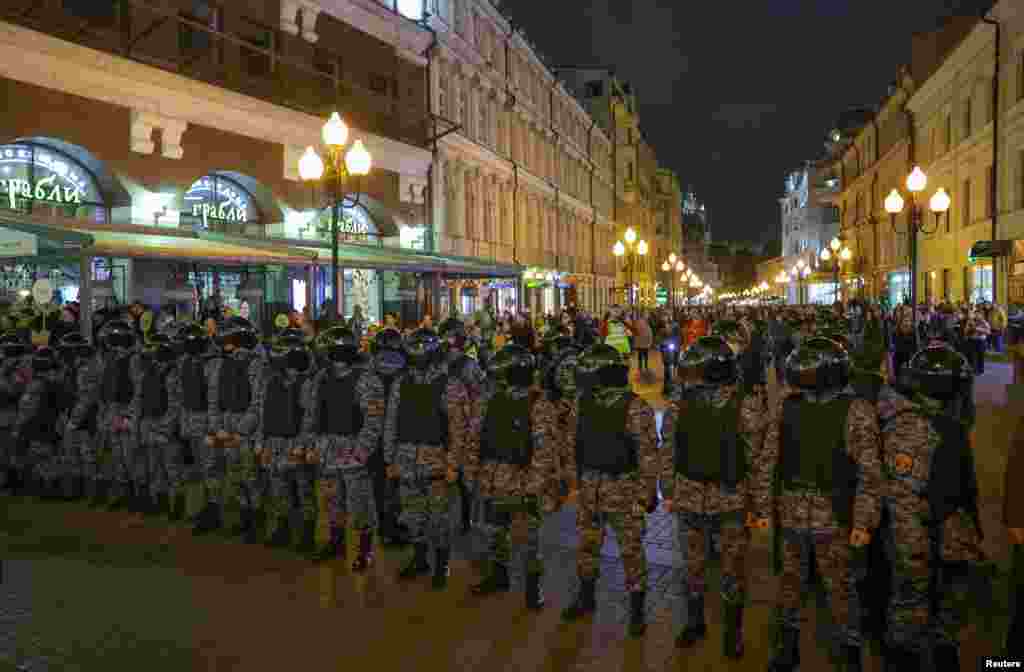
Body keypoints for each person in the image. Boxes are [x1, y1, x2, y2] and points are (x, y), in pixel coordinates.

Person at [749, 336, 882, 672]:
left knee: (840, 586)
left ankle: (850, 648)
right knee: (790, 582)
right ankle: (787, 645)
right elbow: (769, 459)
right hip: (792, 509)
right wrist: (763, 508)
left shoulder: (856, 411)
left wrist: (864, 522)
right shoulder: (787, 406)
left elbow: (870, 472)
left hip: (835, 513)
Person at [877, 343, 990, 670]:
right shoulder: (915, 426)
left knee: (940, 604)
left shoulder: (937, 423)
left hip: (941, 533)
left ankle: (936, 648)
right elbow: (905, 496)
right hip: (916, 534)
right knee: (912, 605)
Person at [661, 335, 765, 657]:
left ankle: (732, 632)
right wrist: (668, 489)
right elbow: (669, 449)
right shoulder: (681, 403)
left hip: (728, 499)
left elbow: (755, 458)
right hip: (695, 496)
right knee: (695, 567)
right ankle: (696, 622)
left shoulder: (742, 404)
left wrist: (757, 504)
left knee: (730, 568)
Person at [561, 344, 659, 637]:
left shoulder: (635, 407)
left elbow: (648, 454)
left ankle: (637, 609)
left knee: (631, 551)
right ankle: (586, 597)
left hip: (624, 489)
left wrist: (646, 493)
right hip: (591, 486)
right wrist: (573, 480)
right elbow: (572, 442)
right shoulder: (584, 402)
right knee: (587, 546)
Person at [466, 344, 556, 609]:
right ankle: (499, 575)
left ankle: (533, 586)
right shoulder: (488, 400)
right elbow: (474, 438)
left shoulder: (538, 404)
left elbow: (544, 451)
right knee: (494, 532)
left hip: (523, 481)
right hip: (492, 477)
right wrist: (471, 474)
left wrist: (534, 487)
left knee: (529, 538)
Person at [383, 328, 473, 589]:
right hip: (406, 459)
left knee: (439, 518)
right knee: (413, 514)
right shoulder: (402, 383)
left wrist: (454, 464)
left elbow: (459, 429)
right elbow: (391, 421)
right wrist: (390, 460)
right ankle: (420, 558)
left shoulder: (451, 385)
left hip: (437, 461)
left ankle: (442, 564)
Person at [304, 326, 386, 567]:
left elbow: (373, 421)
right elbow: (312, 413)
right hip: (327, 446)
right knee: (331, 500)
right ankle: (336, 543)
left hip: (353, 448)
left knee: (360, 502)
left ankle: (364, 550)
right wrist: (312, 445)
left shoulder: (366, 380)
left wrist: (361, 451)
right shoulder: (321, 377)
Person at [254, 328, 318, 552]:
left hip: (296, 443)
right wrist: (260, 444)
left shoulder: (306, 384)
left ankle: (307, 533)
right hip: (274, 442)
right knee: (278, 489)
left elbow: (309, 419)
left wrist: (302, 446)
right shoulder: (270, 382)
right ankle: (283, 529)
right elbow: (263, 414)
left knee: (303, 490)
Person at [196, 317, 260, 536]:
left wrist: (240, 431)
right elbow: (212, 399)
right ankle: (236, 515)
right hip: (223, 424)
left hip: (244, 428)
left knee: (248, 475)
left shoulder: (255, 364)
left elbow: (257, 402)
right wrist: (216, 428)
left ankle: (254, 518)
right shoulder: (217, 364)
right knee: (220, 471)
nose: (226, 343)